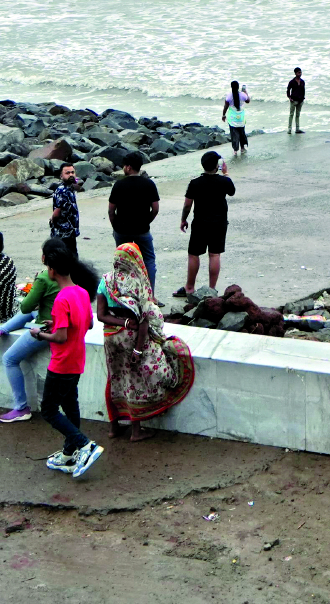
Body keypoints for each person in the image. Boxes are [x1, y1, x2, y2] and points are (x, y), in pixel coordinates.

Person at [97, 242, 195, 441]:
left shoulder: (106, 280)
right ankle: (136, 431)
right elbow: (143, 321)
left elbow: (100, 315)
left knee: (115, 378)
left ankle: (114, 428)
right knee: (135, 381)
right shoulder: (139, 283)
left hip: (110, 339)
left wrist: (119, 321)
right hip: (131, 339)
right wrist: (139, 350)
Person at [0, 236, 70, 423]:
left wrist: (35, 288)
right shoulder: (71, 274)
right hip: (59, 321)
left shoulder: (44, 277)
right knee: (31, 314)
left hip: (46, 327)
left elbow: (26, 306)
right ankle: (1, 331)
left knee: (9, 359)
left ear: (46, 259)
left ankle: (21, 407)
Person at [31, 247, 104, 479]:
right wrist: (57, 326)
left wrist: (40, 334)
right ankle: (69, 453)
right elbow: (88, 324)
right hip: (77, 359)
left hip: (61, 362)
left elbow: (61, 337)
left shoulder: (61, 299)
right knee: (71, 405)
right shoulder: (81, 292)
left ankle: (84, 445)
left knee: (49, 410)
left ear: (52, 270)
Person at [176, 150, 235, 297]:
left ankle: (189, 287)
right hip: (219, 222)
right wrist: (226, 173)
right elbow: (232, 191)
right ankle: (211, 289)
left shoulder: (195, 183)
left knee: (194, 254)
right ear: (217, 166)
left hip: (200, 222)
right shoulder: (224, 181)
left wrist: (184, 219)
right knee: (214, 255)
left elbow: (187, 205)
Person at [107, 153, 160, 289]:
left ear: (129, 167)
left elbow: (111, 211)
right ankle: (150, 295)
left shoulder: (119, 185)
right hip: (142, 229)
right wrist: (147, 221)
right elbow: (155, 208)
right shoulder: (149, 184)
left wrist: (116, 226)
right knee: (148, 260)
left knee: (123, 260)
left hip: (122, 230)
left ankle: (124, 292)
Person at [48, 164, 82, 244]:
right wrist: (52, 220)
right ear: (61, 176)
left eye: (72, 172)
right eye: (67, 173)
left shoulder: (70, 187)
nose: (71, 175)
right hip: (63, 234)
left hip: (71, 232)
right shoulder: (62, 191)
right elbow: (57, 212)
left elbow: (76, 182)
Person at [222, 81, 251, 156]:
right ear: (238, 87)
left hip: (232, 118)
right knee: (242, 132)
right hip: (241, 117)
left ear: (231, 87)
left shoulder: (229, 96)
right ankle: (242, 148)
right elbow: (248, 101)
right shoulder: (243, 95)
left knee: (234, 133)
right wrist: (245, 92)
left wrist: (223, 115)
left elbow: (226, 106)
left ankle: (235, 150)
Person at [285, 67, 306, 134]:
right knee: (291, 114)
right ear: (295, 73)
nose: (300, 74)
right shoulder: (292, 82)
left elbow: (303, 90)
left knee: (297, 115)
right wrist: (290, 98)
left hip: (300, 100)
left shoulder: (302, 82)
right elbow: (288, 91)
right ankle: (289, 129)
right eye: (299, 72)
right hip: (293, 100)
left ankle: (297, 129)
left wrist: (303, 98)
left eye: (300, 72)